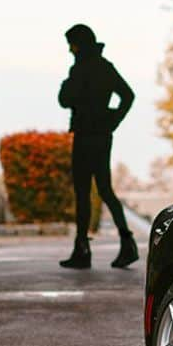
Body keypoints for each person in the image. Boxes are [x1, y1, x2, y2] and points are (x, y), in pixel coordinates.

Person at [57, 24, 138, 270]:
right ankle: (125, 242)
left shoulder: (79, 69)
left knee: (84, 192)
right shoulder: (105, 68)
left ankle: (83, 249)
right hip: (102, 135)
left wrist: (69, 83)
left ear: (79, 44)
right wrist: (112, 119)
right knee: (104, 189)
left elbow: (64, 100)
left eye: (72, 44)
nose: (70, 49)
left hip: (84, 136)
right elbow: (128, 96)